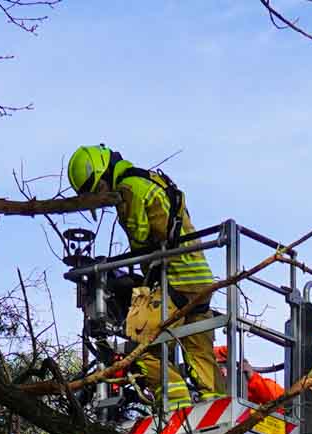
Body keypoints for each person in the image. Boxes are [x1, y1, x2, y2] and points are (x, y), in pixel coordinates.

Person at [66, 144, 220, 406]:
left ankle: (175, 406)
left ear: (104, 176)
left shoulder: (129, 189)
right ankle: (214, 402)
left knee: (142, 347)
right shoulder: (149, 180)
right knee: (199, 350)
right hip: (199, 278)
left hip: (174, 281)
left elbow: (140, 241)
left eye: (98, 191)